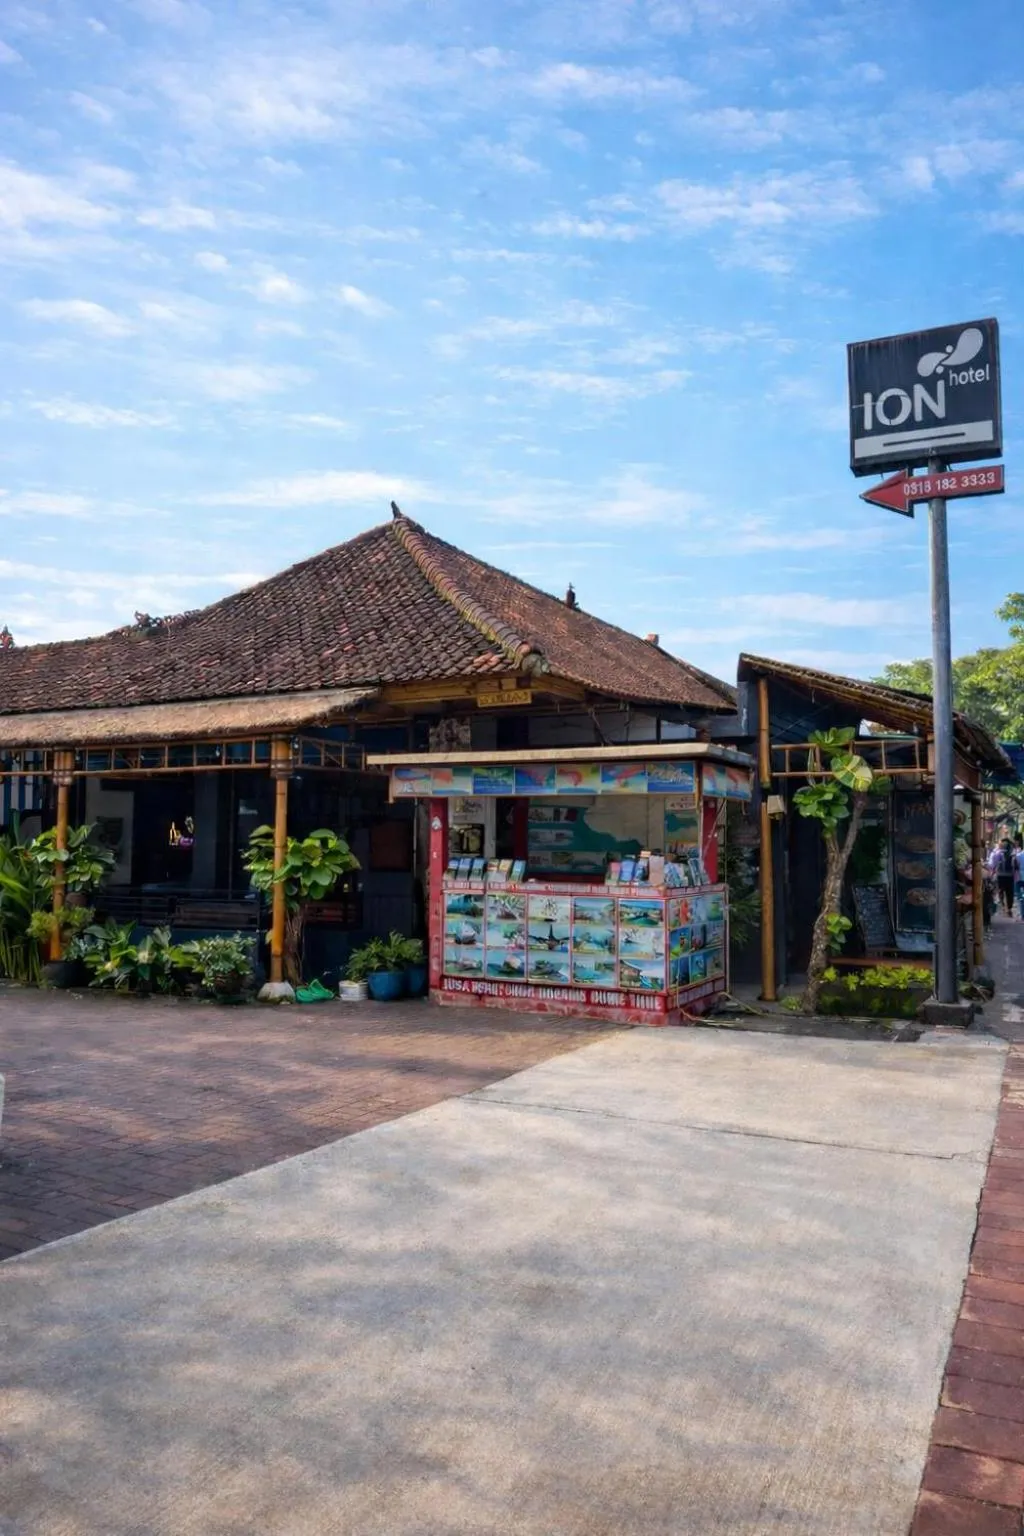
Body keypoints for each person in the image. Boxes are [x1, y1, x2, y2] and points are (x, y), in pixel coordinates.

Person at [989, 838, 1017, 917]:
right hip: (1010, 875)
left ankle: (1003, 906)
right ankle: (1009, 908)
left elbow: (993, 864)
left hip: (1000, 875)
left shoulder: (997, 852)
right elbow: (1016, 865)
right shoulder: (1013, 852)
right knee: (1009, 893)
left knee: (1001, 891)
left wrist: (992, 872)